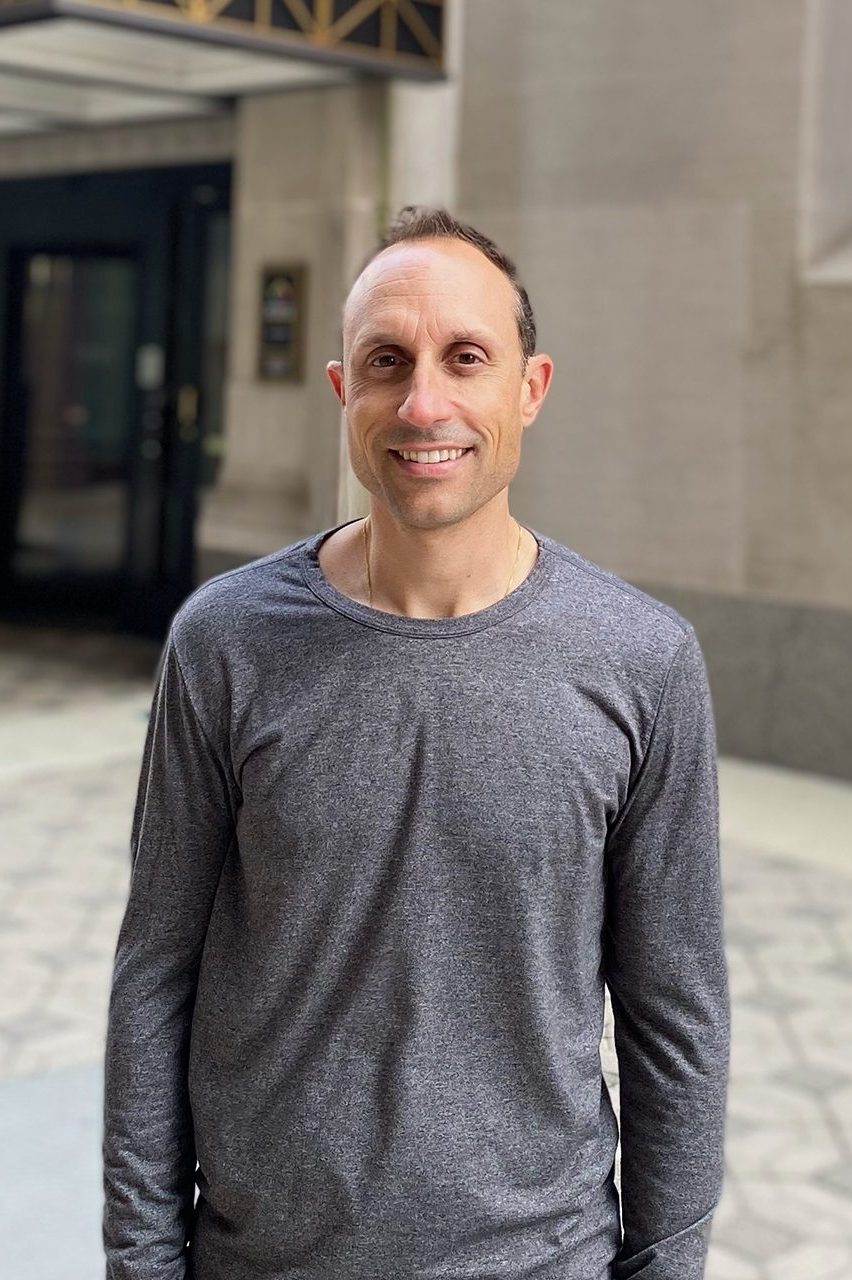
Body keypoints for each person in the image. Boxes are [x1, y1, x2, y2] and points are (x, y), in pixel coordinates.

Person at [102, 205, 730, 1280]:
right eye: (386, 362)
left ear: (530, 387)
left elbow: (675, 1019)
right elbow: (157, 971)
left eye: (466, 358)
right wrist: (143, 1262)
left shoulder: (643, 660)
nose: (423, 403)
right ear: (343, 393)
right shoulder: (225, 641)